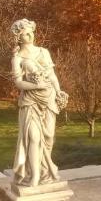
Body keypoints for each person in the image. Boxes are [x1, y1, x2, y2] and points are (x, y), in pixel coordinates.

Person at [10, 19, 68, 187]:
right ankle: (35, 176)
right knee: (34, 138)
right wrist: (36, 85)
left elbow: (51, 75)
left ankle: (45, 172)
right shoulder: (17, 58)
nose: (30, 35)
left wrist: (58, 91)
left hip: (49, 99)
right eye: (25, 33)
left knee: (49, 136)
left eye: (31, 32)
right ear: (18, 38)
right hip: (30, 101)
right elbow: (18, 83)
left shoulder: (43, 52)